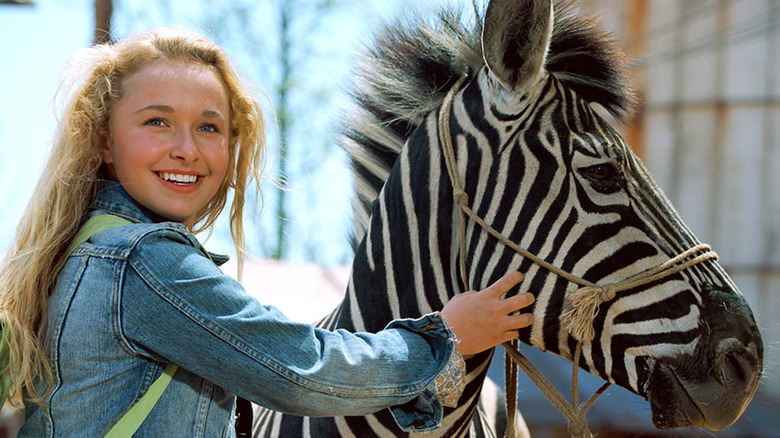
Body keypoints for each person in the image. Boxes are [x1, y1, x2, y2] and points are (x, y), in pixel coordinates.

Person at [0, 28, 534, 436]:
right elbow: (303, 369)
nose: (187, 147)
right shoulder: (144, 261)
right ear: (103, 142)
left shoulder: (86, 249)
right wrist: (446, 338)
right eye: (157, 121)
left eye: (209, 126)